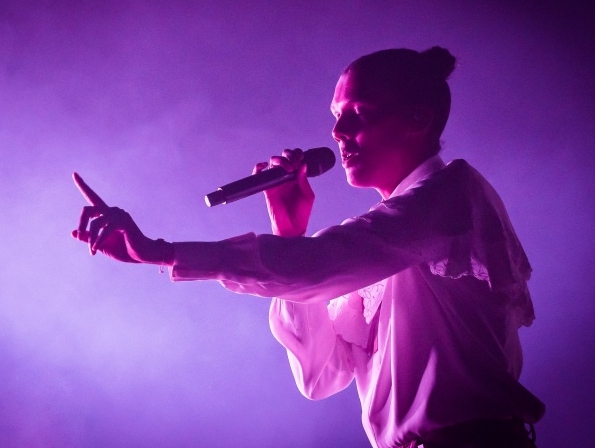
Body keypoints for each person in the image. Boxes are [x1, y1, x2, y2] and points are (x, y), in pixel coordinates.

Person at [72, 47, 545, 448]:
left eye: (358, 114)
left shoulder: (451, 195)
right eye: (337, 118)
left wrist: (162, 250)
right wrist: (288, 234)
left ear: (417, 118)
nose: (338, 135)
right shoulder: (384, 240)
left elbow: (316, 266)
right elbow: (322, 377)